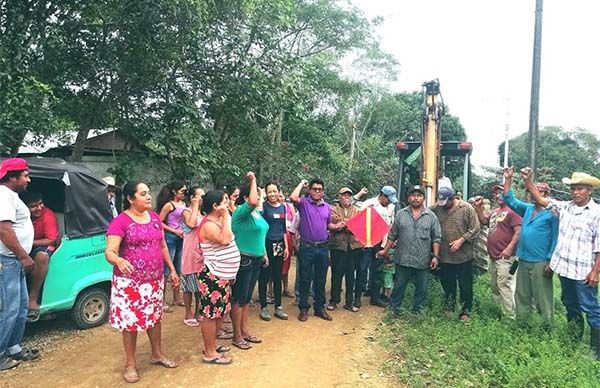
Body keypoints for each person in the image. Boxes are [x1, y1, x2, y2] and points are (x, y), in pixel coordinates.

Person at [105, 181, 179, 383]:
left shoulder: (154, 218)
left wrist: (172, 270)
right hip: (130, 283)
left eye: (148, 193)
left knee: (155, 318)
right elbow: (110, 252)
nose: (148, 197)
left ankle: (157, 354)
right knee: (131, 323)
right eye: (143, 194)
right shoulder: (120, 222)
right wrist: (119, 259)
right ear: (130, 198)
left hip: (154, 280)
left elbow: (163, 246)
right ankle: (130, 364)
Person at [521, 167, 600, 359]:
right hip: (565, 269)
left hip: (583, 272)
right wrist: (528, 181)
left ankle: (596, 349)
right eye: (573, 188)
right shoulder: (565, 207)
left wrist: (595, 272)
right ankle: (573, 341)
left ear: (590, 190)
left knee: (590, 308)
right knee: (570, 304)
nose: (575, 192)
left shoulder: (597, 213)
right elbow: (541, 200)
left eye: (580, 188)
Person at [501, 167, 558, 328]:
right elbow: (509, 199)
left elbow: (555, 237)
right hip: (523, 258)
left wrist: (550, 260)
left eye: (541, 192)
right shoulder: (528, 208)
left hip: (540, 261)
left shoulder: (553, 214)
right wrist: (508, 179)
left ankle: (547, 327)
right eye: (534, 191)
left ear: (548, 195)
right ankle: (523, 325)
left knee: (542, 297)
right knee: (522, 295)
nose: (535, 194)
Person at [0, 158, 40, 371]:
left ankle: (13, 347)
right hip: (8, 261)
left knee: (21, 307)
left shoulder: (11, 196)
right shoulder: (3, 196)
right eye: (25, 175)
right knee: (9, 308)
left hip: (14, 261)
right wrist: (23, 256)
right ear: (12, 177)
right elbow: (4, 230)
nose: (28, 179)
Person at [378, 186, 442, 313]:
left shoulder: (431, 216)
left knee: (421, 287)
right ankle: (394, 308)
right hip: (403, 257)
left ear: (423, 198)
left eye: (419, 196)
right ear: (408, 198)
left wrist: (435, 256)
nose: (416, 198)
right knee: (399, 285)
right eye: (413, 195)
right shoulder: (401, 214)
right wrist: (385, 251)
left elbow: (436, 238)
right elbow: (392, 235)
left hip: (422, 258)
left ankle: (418, 310)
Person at [197, 190, 241, 365]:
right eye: (224, 202)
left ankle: (212, 346)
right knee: (211, 314)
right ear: (215, 206)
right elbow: (225, 240)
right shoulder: (209, 225)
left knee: (219, 313)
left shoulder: (219, 221)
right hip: (213, 277)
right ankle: (209, 352)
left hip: (222, 276)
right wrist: (227, 217)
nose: (227, 205)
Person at [230, 172, 268, 349]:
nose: (259, 199)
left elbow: (260, 234)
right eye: (257, 195)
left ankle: (245, 331)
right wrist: (252, 180)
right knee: (238, 298)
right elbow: (252, 202)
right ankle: (237, 336)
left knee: (246, 299)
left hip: (256, 259)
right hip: (244, 260)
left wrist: (264, 253)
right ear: (246, 197)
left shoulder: (257, 215)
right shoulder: (240, 213)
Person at [473, 185, 522, 318]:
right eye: (496, 193)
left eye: (501, 193)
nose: (497, 196)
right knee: (495, 286)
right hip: (493, 257)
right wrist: (478, 207)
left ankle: (510, 317)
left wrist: (509, 248)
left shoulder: (514, 211)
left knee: (505, 286)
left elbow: (519, 232)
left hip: (506, 257)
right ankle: (498, 312)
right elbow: (484, 221)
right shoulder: (496, 211)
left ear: (508, 194)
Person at [432, 186, 480, 321]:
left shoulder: (466, 209)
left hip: (464, 256)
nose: (443, 205)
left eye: (446, 202)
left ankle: (465, 311)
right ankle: (449, 306)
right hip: (445, 255)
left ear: (453, 198)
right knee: (447, 283)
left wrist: (462, 240)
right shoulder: (437, 208)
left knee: (465, 285)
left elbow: (475, 228)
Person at [290, 178, 334, 322]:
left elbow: (328, 225)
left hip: (322, 247)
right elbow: (293, 197)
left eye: (319, 189)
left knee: (321, 280)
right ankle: (303, 308)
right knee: (305, 279)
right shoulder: (304, 203)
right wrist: (302, 184)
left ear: (323, 192)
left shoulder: (327, 207)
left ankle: (319, 308)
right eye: (314, 189)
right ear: (310, 190)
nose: (316, 191)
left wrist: (338, 225)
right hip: (307, 247)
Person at [20, 191, 60, 322]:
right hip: (23, 245)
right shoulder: (19, 215)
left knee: (42, 256)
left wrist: (27, 244)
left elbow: (51, 240)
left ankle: (33, 299)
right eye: (33, 206)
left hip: (42, 244)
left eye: (40, 204)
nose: (38, 208)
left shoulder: (47, 215)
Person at [360, 185, 398, 307]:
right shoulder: (368, 204)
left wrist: (389, 243)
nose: (389, 202)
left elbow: (390, 224)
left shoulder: (391, 207)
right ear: (382, 196)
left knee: (378, 270)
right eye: (388, 199)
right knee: (362, 268)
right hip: (366, 242)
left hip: (381, 242)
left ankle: (375, 297)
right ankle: (356, 297)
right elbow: (359, 221)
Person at [327, 187, 363, 312]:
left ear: (352, 197)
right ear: (339, 197)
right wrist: (348, 224)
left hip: (353, 247)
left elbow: (358, 226)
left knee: (350, 276)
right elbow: (333, 221)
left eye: (349, 195)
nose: (346, 198)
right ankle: (334, 300)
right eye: (344, 195)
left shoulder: (357, 210)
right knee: (336, 274)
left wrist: (344, 224)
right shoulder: (333, 209)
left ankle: (349, 302)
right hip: (338, 247)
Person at [258, 182, 289, 321]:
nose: (272, 194)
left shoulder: (283, 207)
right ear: (266, 193)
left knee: (277, 275)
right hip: (266, 244)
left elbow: (283, 229)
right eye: (269, 192)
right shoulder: (264, 208)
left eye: (274, 191)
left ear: (278, 192)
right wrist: (264, 252)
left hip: (279, 244)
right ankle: (264, 307)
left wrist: (286, 246)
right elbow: (261, 230)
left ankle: (278, 307)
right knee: (264, 276)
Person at [156, 181, 187, 311]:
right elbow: (158, 221)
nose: (185, 193)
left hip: (181, 238)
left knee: (178, 269)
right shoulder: (169, 205)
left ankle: (176, 298)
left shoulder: (184, 204)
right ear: (175, 192)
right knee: (167, 270)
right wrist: (174, 231)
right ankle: (161, 301)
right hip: (170, 238)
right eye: (182, 191)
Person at [180, 186, 205, 326]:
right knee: (189, 285)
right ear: (192, 198)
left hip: (201, 253)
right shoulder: (186, 212)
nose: (202, 199)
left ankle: (198, 312)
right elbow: (191, 223)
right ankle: (188, 313)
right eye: (199, 196)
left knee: (200, 286)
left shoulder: (203, 213)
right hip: (190, 253)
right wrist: (195, 205)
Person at [280, 192, 298, 298]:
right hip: (277, 238)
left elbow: (295, 223)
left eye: (281, 196)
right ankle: (270, 290)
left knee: (286, 264)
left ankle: (286, 289)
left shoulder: (289, 206)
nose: (280, 198)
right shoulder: (270, 208)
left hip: (289, 237)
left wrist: (295, 240)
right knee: (274, 264)